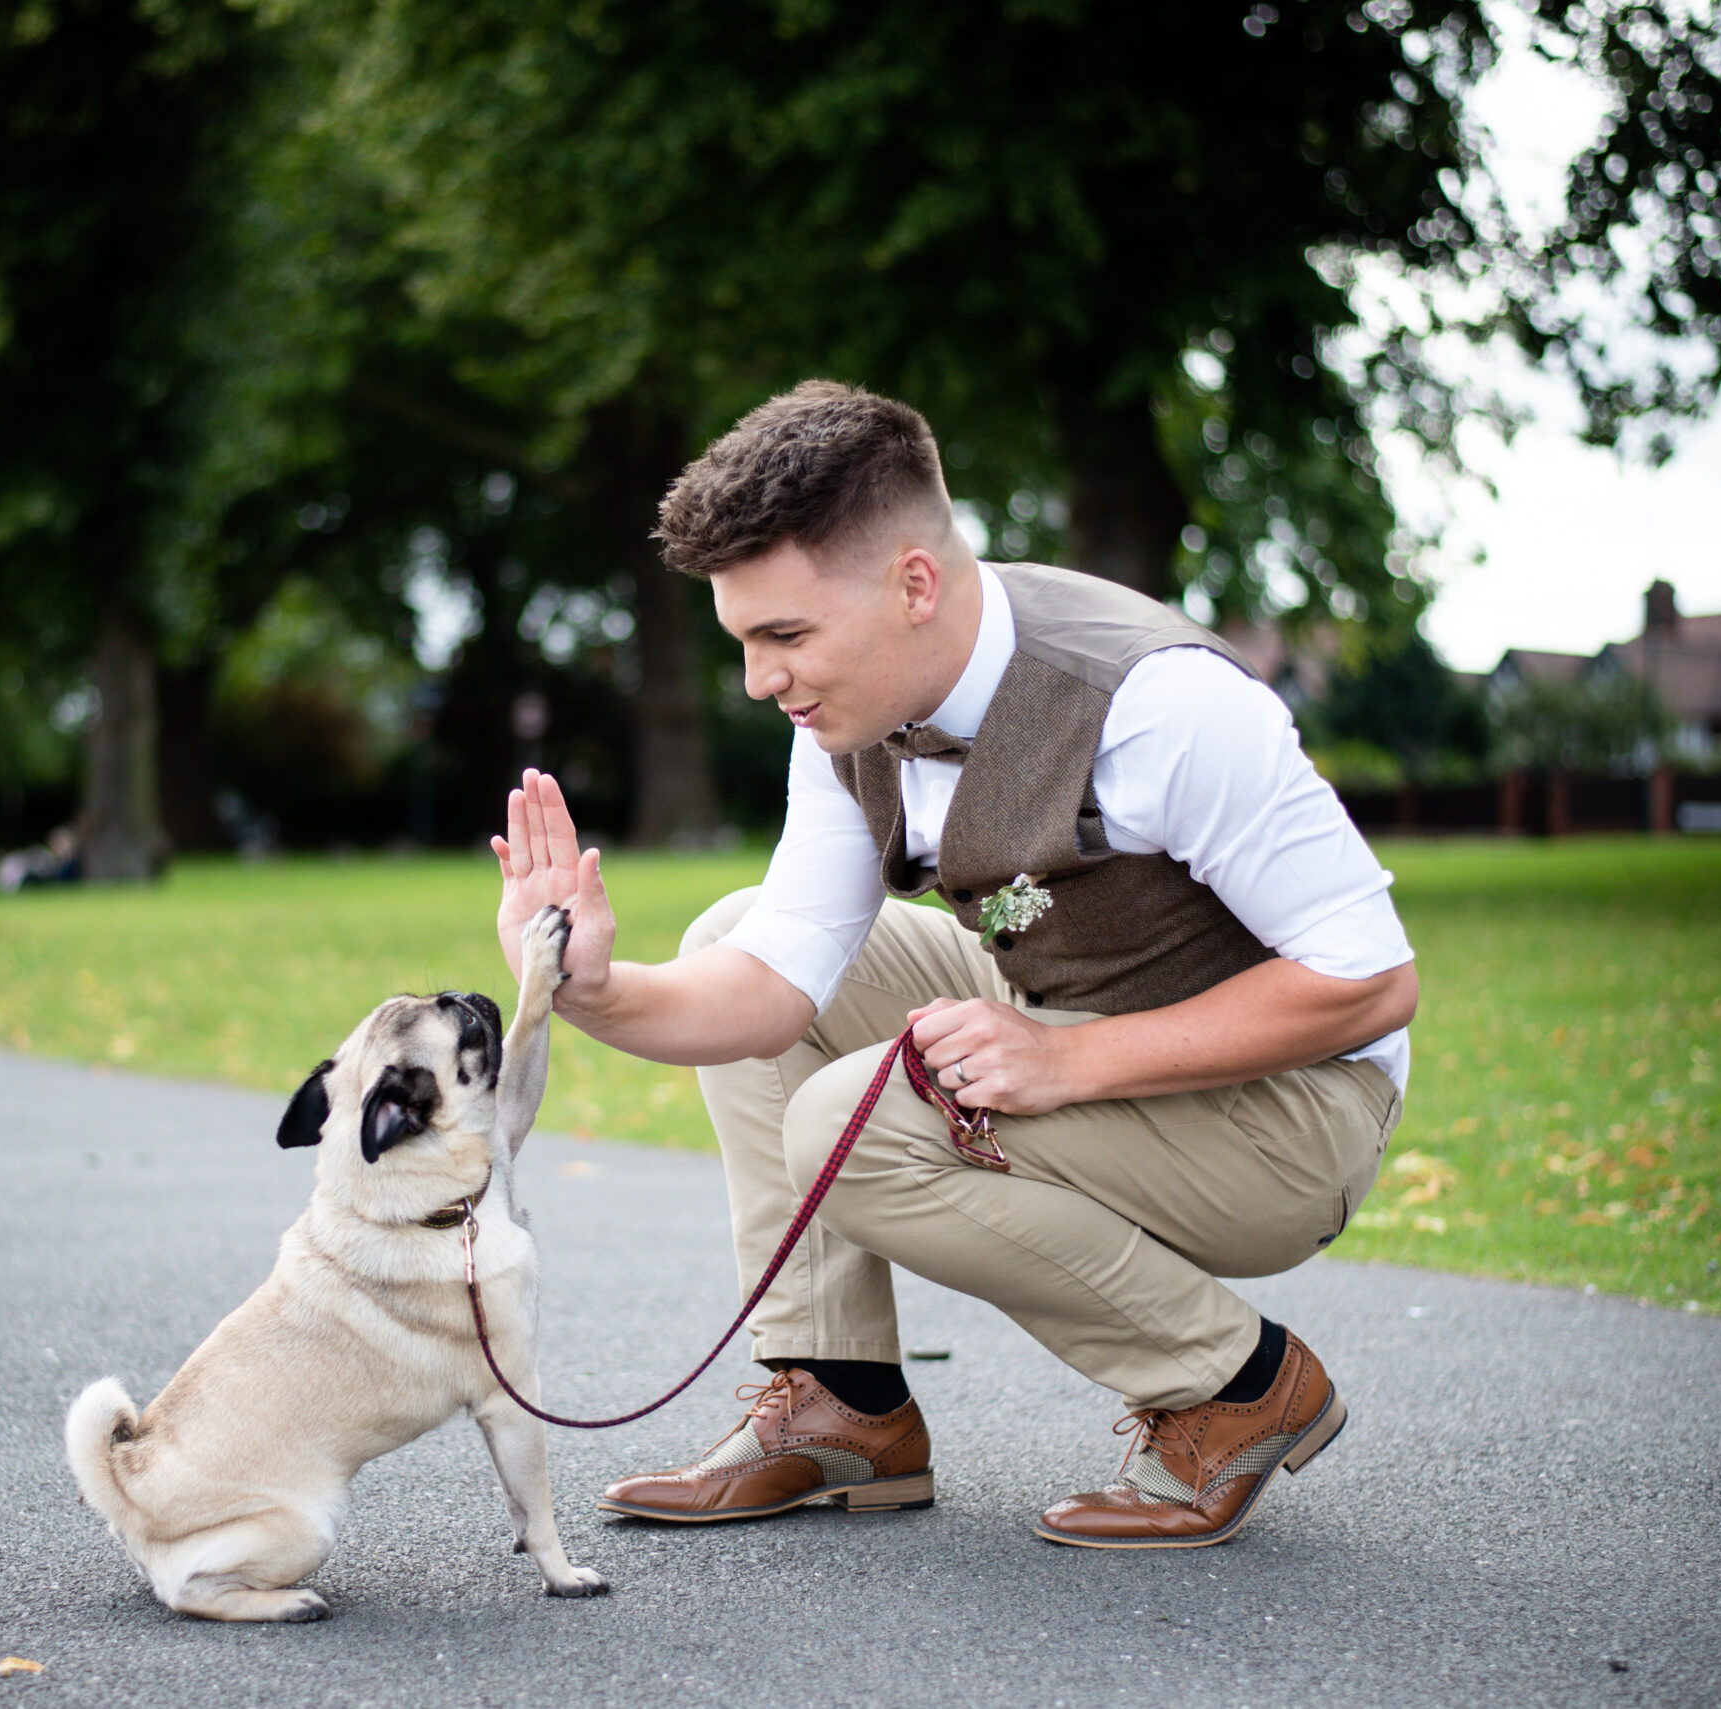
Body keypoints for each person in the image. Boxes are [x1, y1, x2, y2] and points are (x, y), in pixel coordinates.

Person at [490, 381, 1416, 1549]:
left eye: (784, 635)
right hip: (1064, 1015)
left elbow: (1368, 983)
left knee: (851, 1120)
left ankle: (1232, 1386)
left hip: (1291, 1114)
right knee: (731, 928)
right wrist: (581, 984)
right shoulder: (845, 718)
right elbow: (769, 985)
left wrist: (1066, 1059)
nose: (759, 680)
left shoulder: (1159, 703)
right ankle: (842, 1407)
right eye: (743, 642)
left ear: (913, 584)